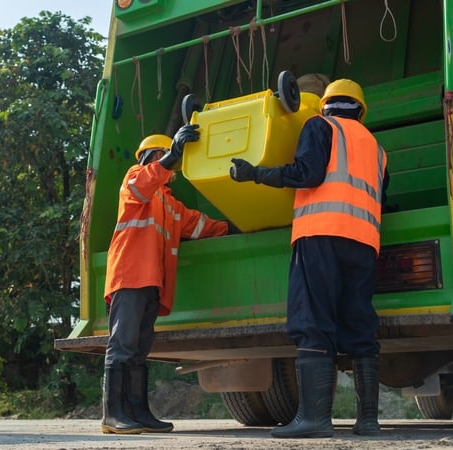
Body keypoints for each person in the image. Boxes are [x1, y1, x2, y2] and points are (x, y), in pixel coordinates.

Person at [229, 79, 388, 438]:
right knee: (360, 323)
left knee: (313, 319)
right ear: (360, 110)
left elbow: (309, 174)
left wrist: (256, 174)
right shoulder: (376, 147)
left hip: (320, 234)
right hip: (363, 242)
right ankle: (368, 421)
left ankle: (314, 419)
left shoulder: (320, 126)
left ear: (325, 105)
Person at [101, 123, 235, 434]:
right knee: (122, 345)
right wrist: (172, 154)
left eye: (168, 155)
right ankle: (112, 415)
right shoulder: (135, 178)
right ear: (149, 156)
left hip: (151, 283)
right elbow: (143, 184)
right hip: (130, 275)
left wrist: (234, 227)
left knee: (138, 348)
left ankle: (136, 411)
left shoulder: (170, 204)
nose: (167, 161)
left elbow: (199, 224)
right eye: (161, 154)